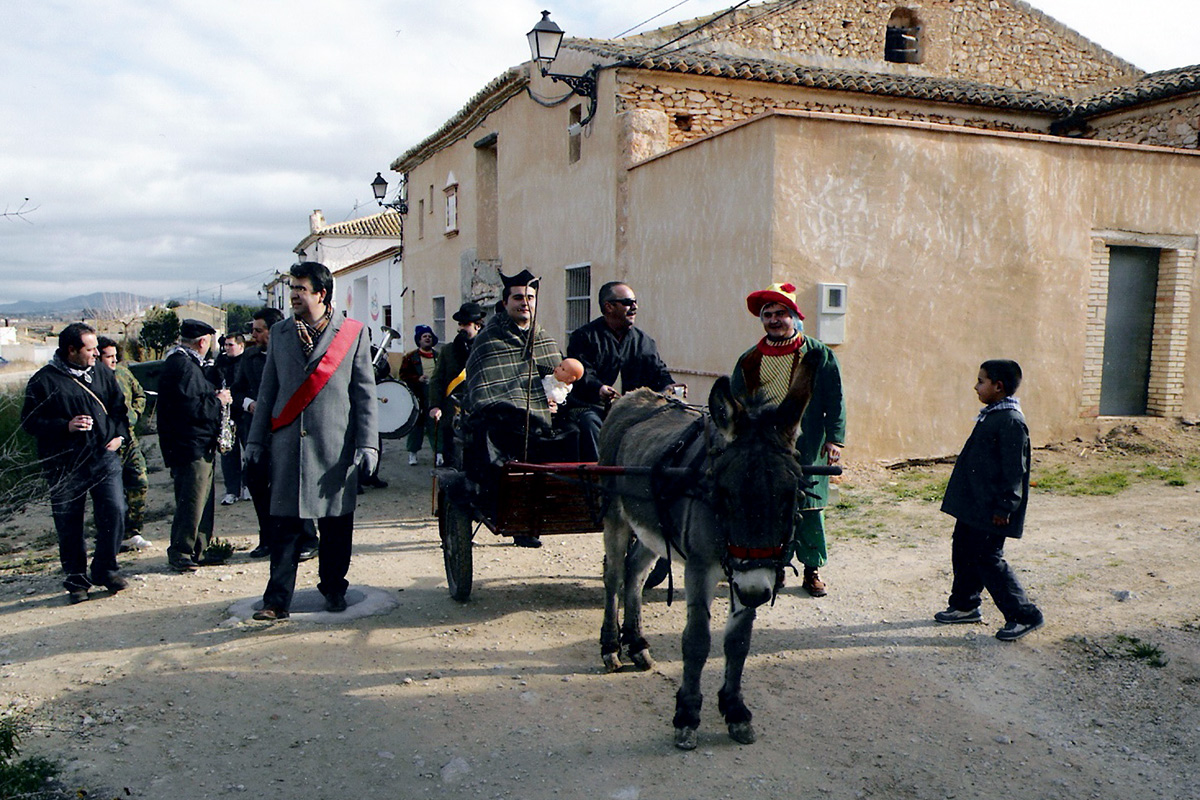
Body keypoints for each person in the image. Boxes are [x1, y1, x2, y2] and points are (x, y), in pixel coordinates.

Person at [245, 261, 378, 620]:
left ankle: (334, 588)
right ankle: (276, 601)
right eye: (292, 289)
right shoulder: (281, 333)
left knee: (335, 527)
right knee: (284, 528)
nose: (293, 296)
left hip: (335, 447)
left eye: (300, 289)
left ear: (321, 293)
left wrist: (369, 444)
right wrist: (256, 441)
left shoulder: (352, 333)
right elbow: (268, 388)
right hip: (288, 447)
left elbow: (364, 393)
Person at [731, 282, 846, 597]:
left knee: (809, 507)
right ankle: (776, 567)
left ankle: (812, 570)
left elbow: (835, 398)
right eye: (768, 314)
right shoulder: (750, 359)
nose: (773, 319)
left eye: (780, 313)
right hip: (764, 448)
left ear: (794, 316)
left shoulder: (818, 354)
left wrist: (835, 438)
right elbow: (737, 403)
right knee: (769, 507)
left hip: (806, 446)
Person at [21, 323, 130, 604]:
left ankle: (106, 569)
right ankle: (76, 581)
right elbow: (29, 422)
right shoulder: (43, 381)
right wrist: (65, 426)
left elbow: (119, 409)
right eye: (90, 349)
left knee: (115, 510)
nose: (97, 353)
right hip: (63, 463)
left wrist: (119, 436)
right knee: (69, 523)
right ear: (71, 350)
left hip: (103, 457)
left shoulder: (103, 374)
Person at [936, 359, 1044, 641]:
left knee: (987, 558)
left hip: (992, 509)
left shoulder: (1010, 421)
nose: (976, 386)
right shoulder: (993, 415)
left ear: (998, 386)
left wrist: (1005, 507)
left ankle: (1024, 615)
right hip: (974, 505)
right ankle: (964, 605)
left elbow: (1014, 472)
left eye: (981, 381)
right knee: (963, 550)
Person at [465, 269, 573, 547]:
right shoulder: (489, 339)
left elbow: (556, 377)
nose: (524, 302)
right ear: (505, 303)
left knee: (576, 433)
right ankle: (513, 518)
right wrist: (526, 404)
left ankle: (557, 509)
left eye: (530, 297)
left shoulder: (544, 338)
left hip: (544, 420)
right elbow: (484, 387)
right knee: (502, 448)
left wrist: (554, 399)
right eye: (517, 297)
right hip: (504, 421)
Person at [233, 307, 320, 561]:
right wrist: (249, 403)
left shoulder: (293, 354)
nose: (253, 335)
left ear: (274, 332)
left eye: (258, 330)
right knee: (259, 487)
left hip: (287, 432)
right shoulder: (248, 358)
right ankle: (268, 539)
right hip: (257, 434)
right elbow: (237, 391)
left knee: (292, 488)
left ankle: (308, 539)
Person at [566, 281, 683, 459]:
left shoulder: (644, 341)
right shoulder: (584, 337)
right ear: (609, 306)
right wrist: (599, 389)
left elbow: (658, 371)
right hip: (592, 407)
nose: (634, 307)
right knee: (589, 423)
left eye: (635, 302)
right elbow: (583, 375)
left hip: (632, 409)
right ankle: (599, 478)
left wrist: (670, 386)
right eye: (628, 302)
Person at [158, 319, 233, 573]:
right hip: (189, 445)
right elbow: (191, 408)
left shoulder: (187, 365)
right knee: (192, 498)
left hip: (198, 443)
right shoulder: (183, 367)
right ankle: (181, 550)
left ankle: (198, 549)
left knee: (202, 499)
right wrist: (219, 401)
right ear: (202, 342)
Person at [96, 336, 151, 552]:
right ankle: (110, 537)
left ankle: (132, 532)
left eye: (115, 356)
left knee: (139, 481)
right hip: (107, 443)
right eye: (108, 356)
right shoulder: (92, 380)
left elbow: (140, 395)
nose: (113, 360)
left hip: (129, 439)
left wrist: (135, 414)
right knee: (111, 495)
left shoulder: (123, 373)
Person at [428, 301, 486, 468]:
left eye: (466, 324)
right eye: (460, 324)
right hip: (452, 414)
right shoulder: (448, 350)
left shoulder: (487, 349)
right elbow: (437, 380)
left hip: (479, 414)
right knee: (453, 463)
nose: (461, 328)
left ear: (477, 326)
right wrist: (435, 405)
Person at [398, 324, 439, 466]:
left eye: (429, 336)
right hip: (417, 395)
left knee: (435, 425)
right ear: (419, 340)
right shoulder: (410, 357)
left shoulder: (438, 356)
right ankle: (412, 453)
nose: (427, 338)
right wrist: (417, 379)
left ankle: (438, 453)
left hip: (433, 395)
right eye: (424, 336)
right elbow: (403, 375)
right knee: (417, 425)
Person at [215, 332, 247, 505]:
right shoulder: (221, 362)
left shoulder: (247, 361)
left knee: (249, 451)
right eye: (225, 345)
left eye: (231, 345)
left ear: (241, 346)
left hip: (245, 413)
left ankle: (248, 486)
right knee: (228, 453)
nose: (227, 348)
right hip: (227, 415)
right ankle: (232, 490)